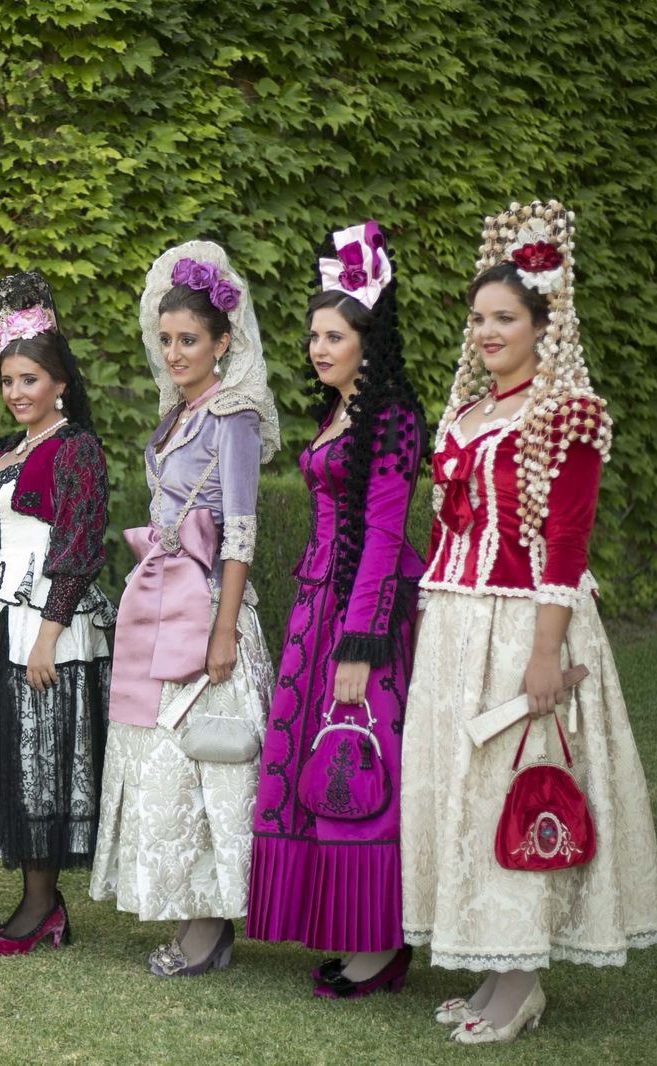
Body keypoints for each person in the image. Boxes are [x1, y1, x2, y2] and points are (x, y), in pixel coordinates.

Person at [400, 200, 657, 1044]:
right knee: (460, 791)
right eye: (478, 317)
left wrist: (546, 652)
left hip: (522, 626)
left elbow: (566, 536)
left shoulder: (566, 414)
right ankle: (492, 964)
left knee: (508, 787)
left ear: (543, 325)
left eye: (504, 318)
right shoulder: (470, 413)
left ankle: (521, 981)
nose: (485, 331)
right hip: (453, 623)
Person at [246, 221, 426, 997]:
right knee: (313, 763)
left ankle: (380, 943)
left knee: (359, 757)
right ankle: (347, 929)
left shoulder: (390, 417)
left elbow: (385, 536)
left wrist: (361, 645)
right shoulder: (339, 415)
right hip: (319, 607)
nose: (319, 348)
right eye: (314, 334)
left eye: (335, 335)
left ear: (367, 340)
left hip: (363, 617)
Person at [90, 240, 279, 976]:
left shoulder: (229, 415)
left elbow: (239, 528)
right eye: (166, 339)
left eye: (189, 339)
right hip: (160, 599)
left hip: (203, 608)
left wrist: (225, 626)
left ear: (223, 343)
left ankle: (211, 924)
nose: (174, 352)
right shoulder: (180, 413)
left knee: (207, 761)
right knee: (166, 761)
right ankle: (192, 911)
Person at [0, 271, 113, 954]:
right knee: (10, 754)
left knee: (39, 759)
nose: (16, 393)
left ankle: (42, 906)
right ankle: (40, 902)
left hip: (47, 627)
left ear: (59, 382)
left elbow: (78, 545)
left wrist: (47, 637)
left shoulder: (76, 449)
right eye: (8, 380)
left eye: (29, 379)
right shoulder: (11, 452)